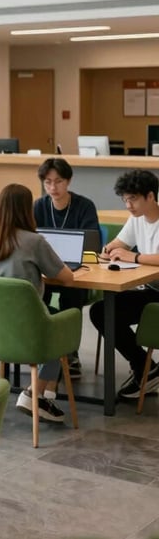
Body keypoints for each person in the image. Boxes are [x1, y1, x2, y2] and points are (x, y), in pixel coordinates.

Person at [0, 183, 75, 423]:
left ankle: (44, 394)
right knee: (62, 323)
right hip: (26, 327)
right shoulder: (34, 242)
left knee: (52, 318)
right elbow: (67, 277)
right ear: (27, 210)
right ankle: (35, 393)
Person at [90, 169, 159, 399]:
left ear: (150, 196)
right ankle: (145, 367)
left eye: (133, 199)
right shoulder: (136, 219)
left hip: (156, 295)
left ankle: (145, 370)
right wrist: (110, 249)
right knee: (101, 311)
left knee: (107, 312)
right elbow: (121, 242)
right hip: (149, 290)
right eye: (125, 200)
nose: (128, 205)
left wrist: (135, 257)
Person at [33, 157, 100, 378]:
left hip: (76, 270)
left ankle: (70, 354)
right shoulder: (39, 206)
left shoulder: (84, 205)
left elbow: (93, 242)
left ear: (68, 181)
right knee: (34, 294)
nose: (53, 187)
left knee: (71, 298)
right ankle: (45, 351)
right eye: (48, 182)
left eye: (58, 181)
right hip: (45, 269)